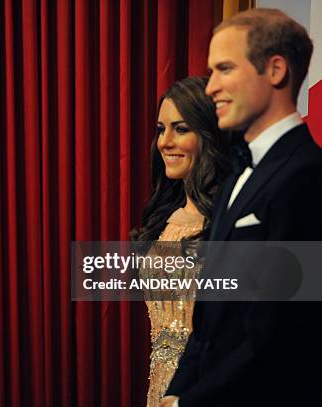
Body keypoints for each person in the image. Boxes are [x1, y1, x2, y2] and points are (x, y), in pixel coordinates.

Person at [162, 8, 322, 407]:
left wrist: (188, 403)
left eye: (224, 69)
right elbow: (207, 321)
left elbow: (279, 335)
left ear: (276, 70)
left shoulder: (307, 176)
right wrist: (175, 392)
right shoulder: (236, 175)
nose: (211, 86)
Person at [132, 77, 233, 407]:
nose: (165, 141)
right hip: (158, 389)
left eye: (180, 128)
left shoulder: (230, 219)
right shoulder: (162, 217)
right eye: (161, 129)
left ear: (209, 134)